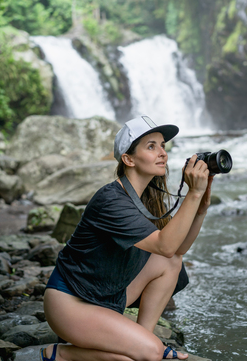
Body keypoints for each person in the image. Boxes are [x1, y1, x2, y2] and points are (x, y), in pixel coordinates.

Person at [41, 115, 214, 361]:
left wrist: (201, 208)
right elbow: (165, 245)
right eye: (151, 146)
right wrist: (193, 194)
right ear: (128, 159)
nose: (162, 153)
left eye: (163, 145)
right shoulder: (111, 200)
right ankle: (62, 354)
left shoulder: (146, 199)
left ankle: (142, 337)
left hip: (106, 295)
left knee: (171, 262)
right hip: (70, 303)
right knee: (143, 356)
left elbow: (176, 250)